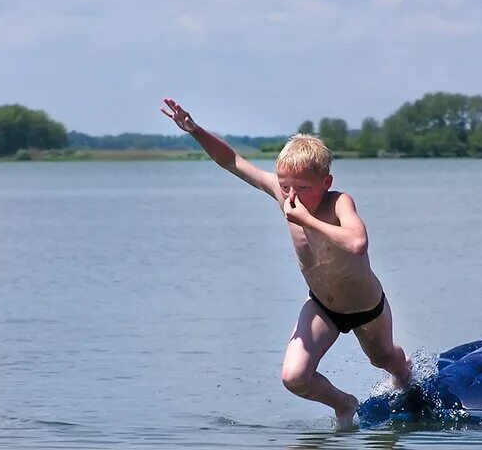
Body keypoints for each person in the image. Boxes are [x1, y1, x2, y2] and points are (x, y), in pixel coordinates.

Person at [161, 98, 410, 429]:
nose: (291, 195)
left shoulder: (339, 203)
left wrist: (307, 220)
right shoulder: (284, 195)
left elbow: (357, 242)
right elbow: (233, 161)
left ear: (326, 183)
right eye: (285, 186)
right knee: (294, 377)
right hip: (323, 305)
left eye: (302, 188)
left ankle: (408, 379)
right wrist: (194, 130)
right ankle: (345, 404)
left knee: (383, 359)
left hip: (367, 307)